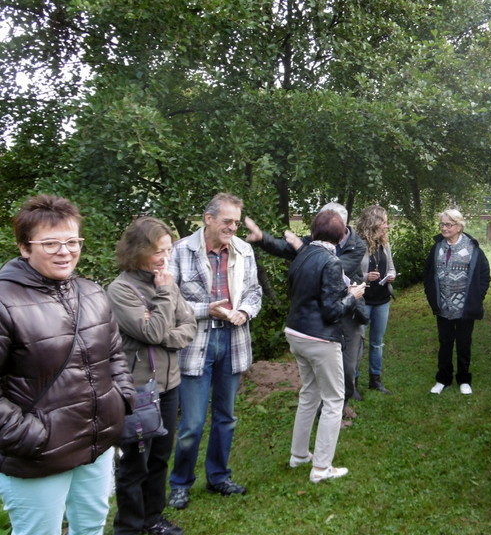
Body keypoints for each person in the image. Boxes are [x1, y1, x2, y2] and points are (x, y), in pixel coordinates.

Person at [0, 194, 136, 535]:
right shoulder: (5, 302)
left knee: (90, 527)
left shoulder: (91, 293)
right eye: (50, 243)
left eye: (72, 241)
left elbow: (115, 354)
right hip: (38, 455)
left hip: (97, 445)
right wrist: (33, 436)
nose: (65, 251)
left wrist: (120, 400)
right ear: (24, 247)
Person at [167, 193, 262, 510]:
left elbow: (254, 292)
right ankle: (180, 483)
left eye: (236, 222)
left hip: (233, 342)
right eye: (227, 221)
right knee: (192, 424)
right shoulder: (180, 251)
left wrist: (245, 312)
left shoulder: (244, 251)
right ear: (208, 219)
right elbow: (170, 304)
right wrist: (209, 310)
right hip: (195, 344)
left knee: (227, 417)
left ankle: (219, 476)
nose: (233, 227)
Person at [107, 217, 196, 535]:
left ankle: (153, 519)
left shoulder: (166, 281)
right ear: (138, 251)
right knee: (134, 463)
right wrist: (163, 300)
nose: (165, 258)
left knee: (160, 456)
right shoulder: (120, 290)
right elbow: (153, 329)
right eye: (159, 251)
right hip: (138, 389)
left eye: (168, 250)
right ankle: (129, 526)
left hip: (169, 385)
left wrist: (163, 334)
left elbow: (189, 326)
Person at [244, 201, 367, 423]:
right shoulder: (317, 240)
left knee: (348, 366)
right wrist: (262, 237)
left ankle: (342, 403)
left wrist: (302, 249)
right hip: (324, 314)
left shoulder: (357, 245)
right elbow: (284, 247)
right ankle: (328, 410)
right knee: (323, 368)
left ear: (342, 227)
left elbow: (335, 267)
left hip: (349, 309)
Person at [284, 210, 366, 483]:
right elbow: (332, 312)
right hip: (319, 338)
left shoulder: (303, 254)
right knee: (333, 400)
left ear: (315, 231)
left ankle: (298, 455)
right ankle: (321, 467)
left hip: (295, 333)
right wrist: (352, 296)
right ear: (341, 234)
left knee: (309, 394)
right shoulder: (331, 262)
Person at [423, 208, 490, 395]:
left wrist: (476, 297)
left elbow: (484, 276)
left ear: (459, 226)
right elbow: (428, 274)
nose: (444, 228)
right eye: (442, 224)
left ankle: (464, 379)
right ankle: (443, 379)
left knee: (463, 344)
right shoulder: (436, 247)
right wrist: (432, 297)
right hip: (442, 306)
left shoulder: (472, 248)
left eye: (448, 224)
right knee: (444, 344)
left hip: (465, 308)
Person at [355, 205, 396, 395]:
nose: (386, 226)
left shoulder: (385, 244)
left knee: (377, 343)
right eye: (384, 222)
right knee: (357, 343)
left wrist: (391, 276)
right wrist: (365, 277)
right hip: (362, 301)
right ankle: (353, 382)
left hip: (382, 300)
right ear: (373, 223)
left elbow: (392, 268)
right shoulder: (356, 245)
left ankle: (375, 380)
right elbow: (347, 274)